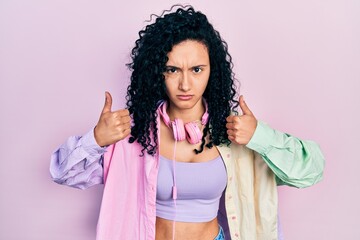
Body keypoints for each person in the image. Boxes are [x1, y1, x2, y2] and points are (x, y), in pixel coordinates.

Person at [50, 5, 325, 240]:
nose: (185, 84)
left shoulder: (235, 134)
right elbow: (63, 173)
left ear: (211, 71)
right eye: (172, 70)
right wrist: (96, 140)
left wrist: (260, 137)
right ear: (158, 72)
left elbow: (310, 170)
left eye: (196, 70)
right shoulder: (132, 135)